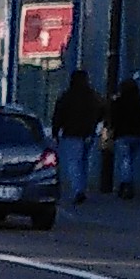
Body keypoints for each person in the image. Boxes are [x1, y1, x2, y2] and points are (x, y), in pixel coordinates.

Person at [50, 67, 104, 202]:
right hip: (88, 133)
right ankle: (82, 188)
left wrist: (55, 132)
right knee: (84, 161)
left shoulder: (66, 96)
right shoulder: (93, 96)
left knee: (74, 162)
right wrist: (94, 124)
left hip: (71, 134)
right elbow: (102, 111)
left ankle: (77, 190)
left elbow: (58, 115)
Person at [106, 70, 140, 197]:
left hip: (122, 135)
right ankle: (128, 183)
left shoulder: (118, 102)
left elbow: (112, 118)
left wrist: (111, 131)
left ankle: (125, 183)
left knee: (125, 159)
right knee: (130, 159)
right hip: (136, 135)